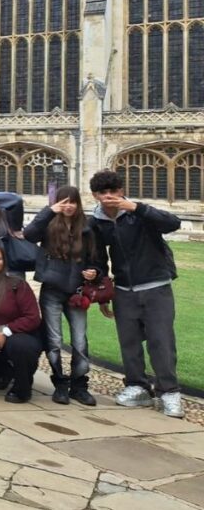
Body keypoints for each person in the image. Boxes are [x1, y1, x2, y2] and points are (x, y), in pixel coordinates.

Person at [88, 170, 183, 417]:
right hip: (123, 289)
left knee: (161, 341)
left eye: (113, 191)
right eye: (103, 192)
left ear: (121, 190)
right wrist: (96, 276)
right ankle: (137, 386)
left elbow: (172, 223)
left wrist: (136, 207)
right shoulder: (96, 222)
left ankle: (169, 391)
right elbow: (99, 258)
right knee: (129, 342)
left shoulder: (139, 214)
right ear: (95, 195)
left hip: (155, 285)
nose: (109, 196)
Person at [23, 186, 100, 406]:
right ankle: (60, 384)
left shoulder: (88, 226)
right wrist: (49, 210)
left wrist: (95, 272)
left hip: (77, 291)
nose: (68, 206)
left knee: (79, 341)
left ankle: (79, 385)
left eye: (72, 202)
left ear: (78, 204)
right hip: (52, 290)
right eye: (63, 201)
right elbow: (29, 235)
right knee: (54, 341)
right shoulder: (49, 224)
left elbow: (96, 258)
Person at [0, 241, 43, 403]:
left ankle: (22, 388)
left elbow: (33, 317)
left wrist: (4, 333)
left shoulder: (16, 285)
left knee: (20, 345)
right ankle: (4, 374)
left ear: (4, 262)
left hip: (14, 338)